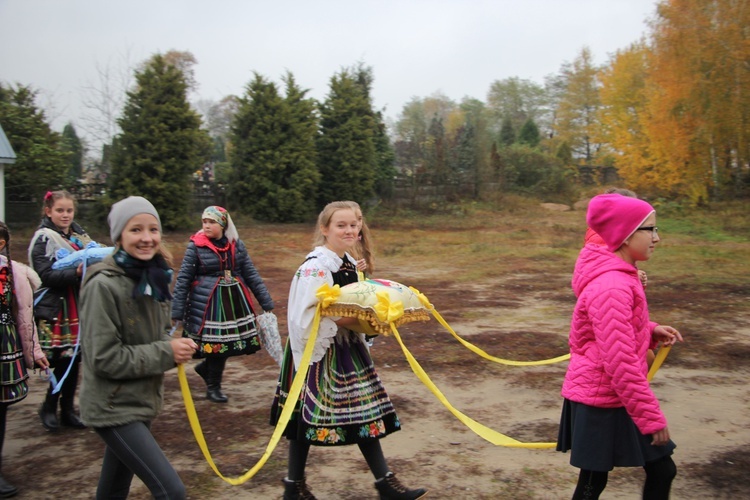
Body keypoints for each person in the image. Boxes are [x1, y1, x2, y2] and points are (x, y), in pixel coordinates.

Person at [270, 201, 426, 500]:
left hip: (346, 346)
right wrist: (369, 321)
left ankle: (382, 483)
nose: (349, 230)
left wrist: (374, 316)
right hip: (321, 351)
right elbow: (314, 313)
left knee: (360, 411)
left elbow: (357, 300)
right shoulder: (315, 267)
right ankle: (295, 486)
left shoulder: (349, 264)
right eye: (341, 225)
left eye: (353, 224)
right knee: (306, 417)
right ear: (325, 229)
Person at [557, 193, 683, 500]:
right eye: (650, 229)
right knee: (592, 484)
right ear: (626, 236)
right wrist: (651, 417)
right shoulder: (612, 285)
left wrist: (651, 329)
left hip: (618, 393)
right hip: (603, 398)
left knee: (660, 470)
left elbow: (616, 330)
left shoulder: (622, 278)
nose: (657, 237)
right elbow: (620, 361)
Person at [79, 196, 197, 500]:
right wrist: (166, 352)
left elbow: (153, 337)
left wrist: (172, 346)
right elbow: (104, 358)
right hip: (113, 406)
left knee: (113, 490)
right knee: (171, 491)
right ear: (119, 236)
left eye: (153, 229)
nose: (147, 238)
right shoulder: (102, 286)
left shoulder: (153, 277)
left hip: (140, 398)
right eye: (136, 230)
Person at [171, 206, 274, 403]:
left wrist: (265, 301)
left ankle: (207, 370)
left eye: (212, 222)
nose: (207, 226)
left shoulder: (236, 245)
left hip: (233, 302)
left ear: (223, 224)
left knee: (226, 345)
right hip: (208, 304)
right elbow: (184, 278)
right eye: (204, 222)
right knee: (217, 346)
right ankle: (213, 386)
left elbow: (250, 273)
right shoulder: (196, 246)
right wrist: (177, 310)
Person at [28, 190, 91, 431]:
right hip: (56, 306)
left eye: (69, 210)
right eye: (60, 210)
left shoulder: (80, 236)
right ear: (48, 212)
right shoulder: (43, 238)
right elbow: (44, 274)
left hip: (77, 302)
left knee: (75, 359)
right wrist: (75, 273)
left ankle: (67, 410)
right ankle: (49, 405)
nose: (65, 215)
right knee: (60, 358)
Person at [0, 221, 50, 497]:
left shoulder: (13, 273)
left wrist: (35, 351)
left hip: (4, 343)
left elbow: (24, 316)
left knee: (1, 408)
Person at [346, 201, 375, 276]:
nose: (358, 224)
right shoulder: (338, 246)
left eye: (359, 219)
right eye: (353, 220)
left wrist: (363, 268)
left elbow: (367, 273)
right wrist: (353, 269)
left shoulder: (363, 241)